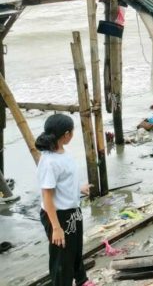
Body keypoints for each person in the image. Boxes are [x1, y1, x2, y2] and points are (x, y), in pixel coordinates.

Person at [36, 114, 95, 286]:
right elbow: (47, 196)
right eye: (73, 131)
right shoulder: (49, 162)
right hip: (57, 215)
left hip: (72, 210)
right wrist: (56, 228)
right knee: (62, 257)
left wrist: (78, 188)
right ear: (67, 134)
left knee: (75, 249)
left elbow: (64, 181)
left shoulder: (63, 153)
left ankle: (82, 280)